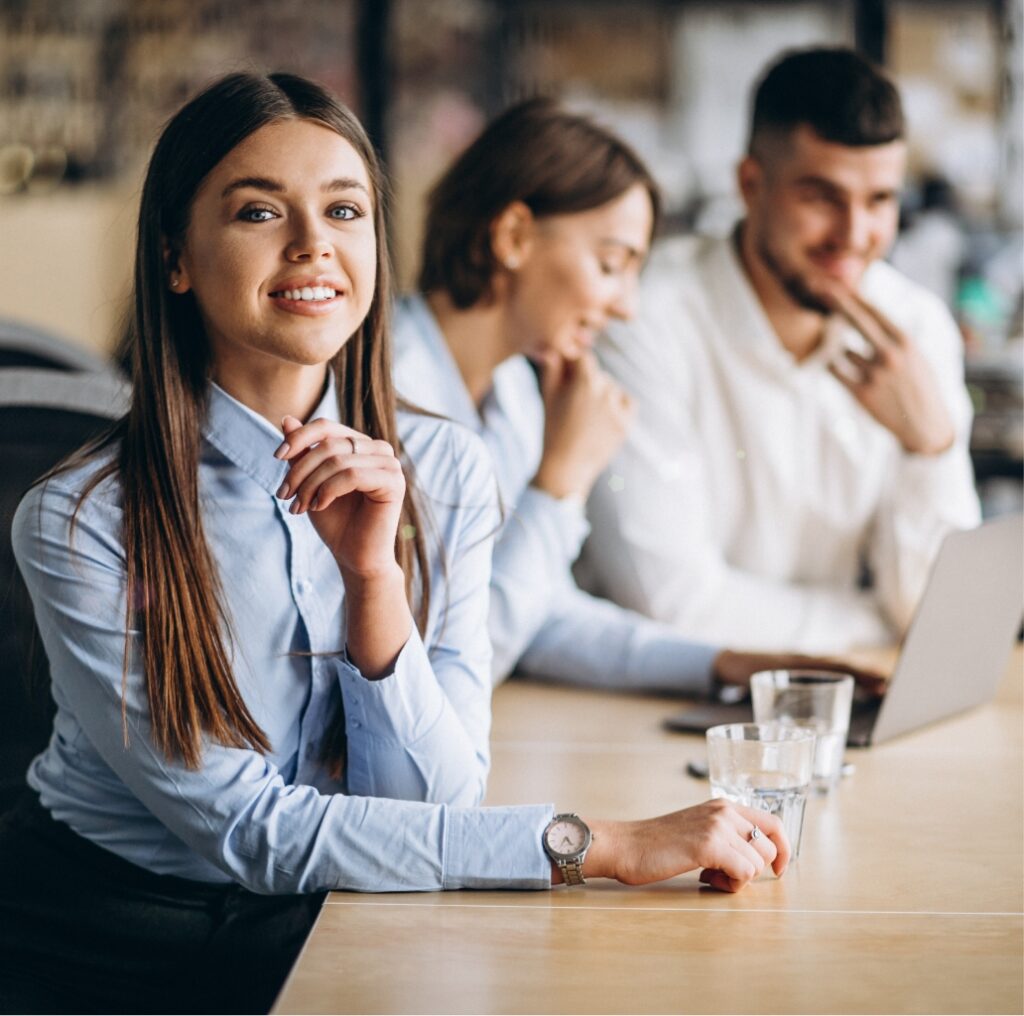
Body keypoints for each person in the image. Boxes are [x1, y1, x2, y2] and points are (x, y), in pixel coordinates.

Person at [0, 74, 789, 1015]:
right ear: (175, 257)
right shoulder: (81, 516)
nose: (314, 246)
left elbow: (436, 806)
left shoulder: (446, 469)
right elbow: (254, 833)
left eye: (345, 210)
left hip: (332, 917)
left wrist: (374, 581)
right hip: (109, 943)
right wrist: (598, 845)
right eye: (259, 211)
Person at [393, 98, 881, 696]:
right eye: (610, 264)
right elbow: (443, 678)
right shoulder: (388, 395)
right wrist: (561, 482)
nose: (626, 304)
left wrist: (723, 664)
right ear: (513, 235)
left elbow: (540, 615)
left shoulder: (513, 391)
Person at [579, 48, 981, 654]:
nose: (853, 235)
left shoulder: (918, 329)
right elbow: (669, 601)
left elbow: (942, 621)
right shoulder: (645, 319)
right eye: (822, 197)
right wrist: (876, 623)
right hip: (650, 708)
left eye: (879, 201)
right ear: (750, 184)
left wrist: (931, 447)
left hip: (849, 699)